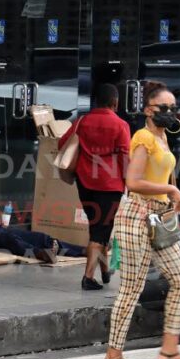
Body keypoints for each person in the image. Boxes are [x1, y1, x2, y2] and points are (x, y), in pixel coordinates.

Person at [103, 81, 180, 359]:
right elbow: (132, 182)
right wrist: (170, 190)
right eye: (163, 108)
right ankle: (112, 358)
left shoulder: (162, 137)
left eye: (173, 108)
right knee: (132, 288)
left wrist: (172, 195)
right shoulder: (143, 137)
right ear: (148, 110)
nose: (169, 112)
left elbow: (164, 175)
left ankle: (169, 350)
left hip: (159, 217)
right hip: (135, 215)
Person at [60, 83, 130, 291]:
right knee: (100, 233)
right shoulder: (120, 125)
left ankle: (105, 271)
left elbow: (62, 143)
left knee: (97, 228)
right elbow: (125, 157)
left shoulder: (82, 121)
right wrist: (129, 183)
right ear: (115, 103)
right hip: (109, 186)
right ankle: (88, 277)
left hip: (85, 184)